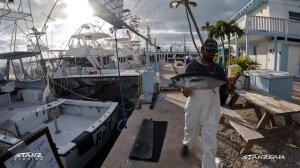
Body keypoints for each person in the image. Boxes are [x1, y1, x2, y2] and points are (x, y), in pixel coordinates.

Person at [180, 39, 228, 168]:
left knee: (210, 139)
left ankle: (209, 165)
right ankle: (186, 144)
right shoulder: (191, 66)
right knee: (189, 129)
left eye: (214, 51)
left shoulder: (218, 69)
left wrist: (231, 87)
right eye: (209, 50)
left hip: (212, 107)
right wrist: (185, 91)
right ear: (202, 50)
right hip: (194, 105)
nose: (212, 53)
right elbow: (185, 91)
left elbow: (225, 89)